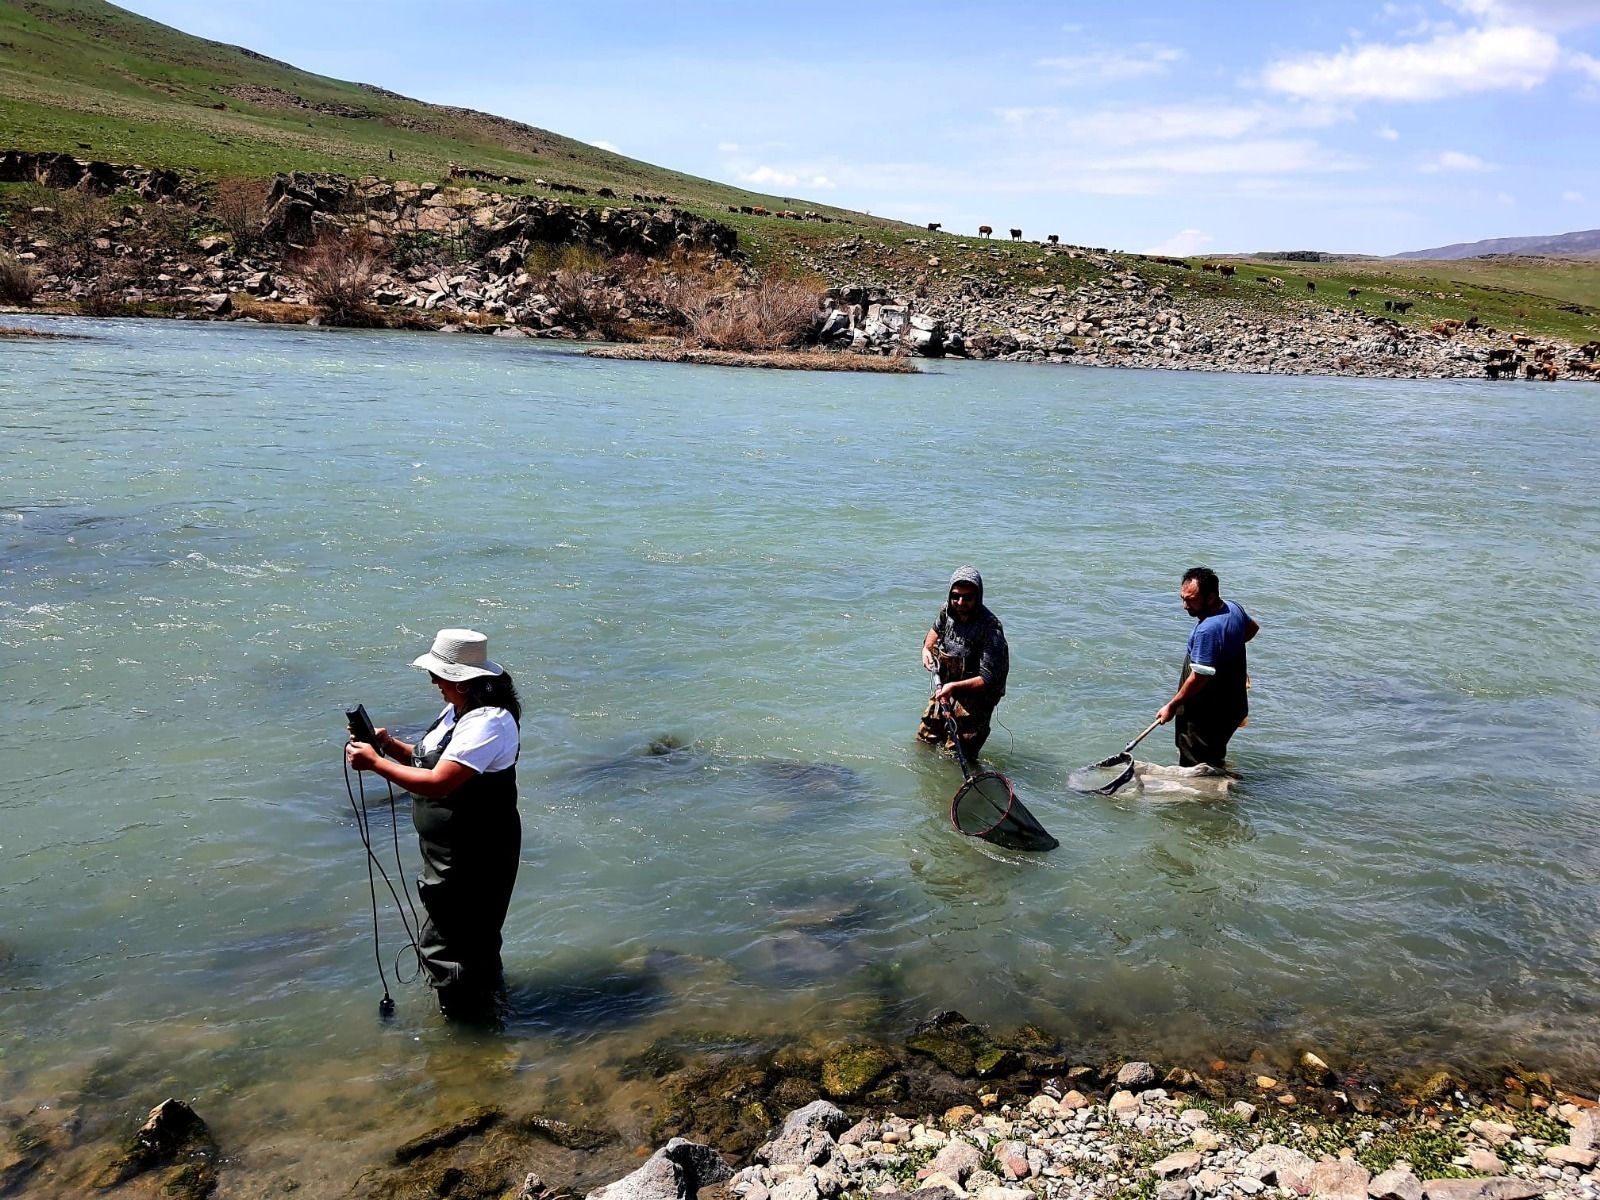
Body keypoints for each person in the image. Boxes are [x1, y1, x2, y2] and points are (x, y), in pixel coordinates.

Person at [346, 628, 521, 1020]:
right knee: (467, 936)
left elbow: (442, 782)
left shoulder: (488, 722)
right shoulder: (459, 711)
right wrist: (389, 748)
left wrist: (376, 765)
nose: (433, 682)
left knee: (450, 943)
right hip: (453, 851)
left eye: (438, 675)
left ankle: (468, 1034)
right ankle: (487, 1006)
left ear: (461, 679)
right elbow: (433, 761)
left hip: (475, 852)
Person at [1155, 567, 1259, 769]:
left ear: (1210, 597)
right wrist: (1225, 653)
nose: (1185, 606)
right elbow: (1253, 628)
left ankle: (1209, 798)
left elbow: (1199, 677)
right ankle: (1219, 774)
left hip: (1208, 712)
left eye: (1191, 600)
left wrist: (1172, 706)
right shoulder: (1232, 608)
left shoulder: (1208, 630)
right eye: (1182, 598)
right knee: (1213, 753)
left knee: (1195, 762)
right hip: (1232, 704)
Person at [918, 566, 1009, 758]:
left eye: (967, 598)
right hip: (945, 688)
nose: (960, 603)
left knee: (958, 754)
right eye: (956, 596)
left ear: (978, 597)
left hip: (975, 698)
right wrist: (926, 649)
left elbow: (987, 679)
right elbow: (933, 633)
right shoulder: (947, 611)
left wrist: (954, 687)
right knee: (925, 739)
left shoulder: (991, 629)